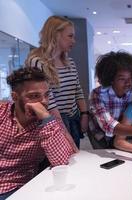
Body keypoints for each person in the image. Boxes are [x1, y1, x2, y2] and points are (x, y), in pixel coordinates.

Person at [0, 67, 75, 200]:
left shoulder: (48, 121)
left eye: (46, 95)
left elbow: (61, 162)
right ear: (15, 97)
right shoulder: (2, 112)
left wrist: (46, 117)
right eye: (34, 96)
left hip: (18, 187)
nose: (44, 101)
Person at [26, 16, 88, 149]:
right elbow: (49, 101)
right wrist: (64, 134)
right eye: (70, 36)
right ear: (55, 35)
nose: (74, 41)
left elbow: (78, 90)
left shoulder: (69, 62)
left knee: (73, 160)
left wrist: (84, 114)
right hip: (53, 121)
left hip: (73, 118)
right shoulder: (37, 62)